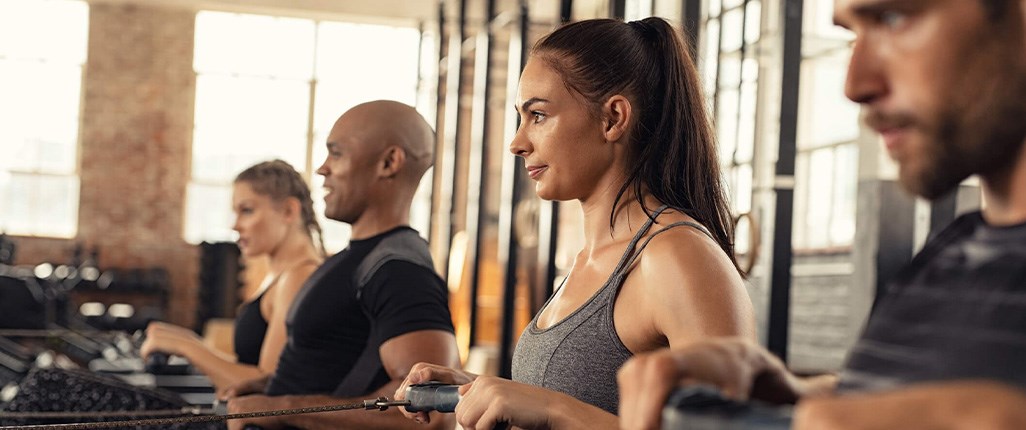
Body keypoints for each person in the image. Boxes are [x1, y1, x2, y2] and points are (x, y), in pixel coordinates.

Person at [617, 0, 1026, 429]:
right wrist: (795, 395)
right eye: (852, 35)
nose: (854, 84)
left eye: (893, 18)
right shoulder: (957, 252)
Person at [395, 16, 756, 430]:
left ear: (613, 119)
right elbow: (593, 399)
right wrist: (476, 387)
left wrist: (553, 410)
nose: (517, 142)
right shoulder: (589, 257)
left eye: (539, 115)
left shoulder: (676, 256)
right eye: (520, 116)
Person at [224, 100, 459, 430]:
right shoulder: (353, 260)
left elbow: (431, 413)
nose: (322, 168)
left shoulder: (398, 270)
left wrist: (284, 407)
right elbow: (340, 366)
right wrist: (269, 388)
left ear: (389, 162)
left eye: (336, 154)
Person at [140, 159, 324, 394]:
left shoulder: (299, 277)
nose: (235, 225)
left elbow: (268, 387)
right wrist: (187, 341)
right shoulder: (281, 275)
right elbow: (251, 364)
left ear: (289, 210)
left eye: (247, 210)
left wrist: (186, 346)